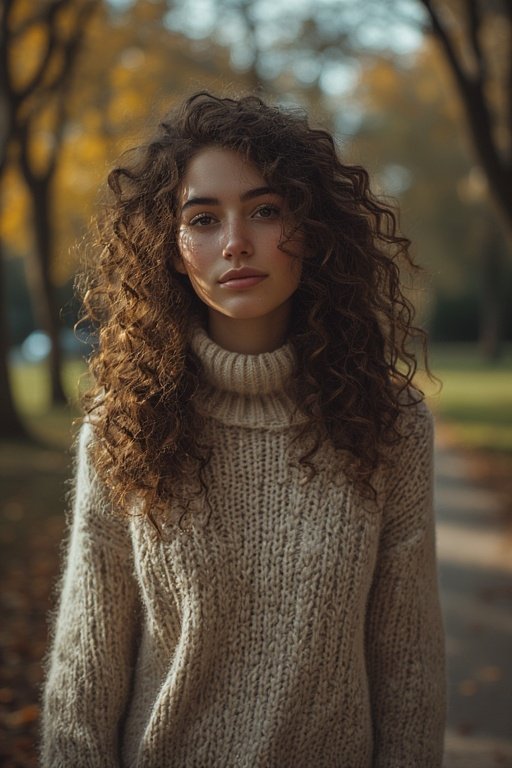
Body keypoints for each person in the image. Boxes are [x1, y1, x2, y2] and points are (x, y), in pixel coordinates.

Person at [41, 91, 446, 767]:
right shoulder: (126, 428)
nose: (236, 242)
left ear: (310, 228)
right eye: (203, 219)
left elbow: (409, 677)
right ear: (170, 250)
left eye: (265, 210)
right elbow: (84, 686)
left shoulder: (387, 426)